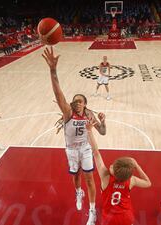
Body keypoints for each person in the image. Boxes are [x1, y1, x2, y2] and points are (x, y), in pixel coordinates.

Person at [42, 47, 107, 225]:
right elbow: (58, 93)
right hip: (71, 150)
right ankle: (79, 193)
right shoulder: (68, 113)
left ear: (85, 103)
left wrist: (102, 122)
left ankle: (92, 211)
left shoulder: (90, 114)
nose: (77, 102)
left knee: (89, 178)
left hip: (85, 149)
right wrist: (53, 70)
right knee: (76, 176)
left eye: (80, 100)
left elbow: (102, 132)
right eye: (75, 100)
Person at [86, 120, 151, 225]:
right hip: (126, 217)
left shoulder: (105, 177)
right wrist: (137, 165)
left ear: (114, 174)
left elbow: (96, 153)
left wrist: (89, 131)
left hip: (109, 219)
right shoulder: (131, 180)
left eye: (112, 167)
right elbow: (148, 183)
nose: (110, 166)